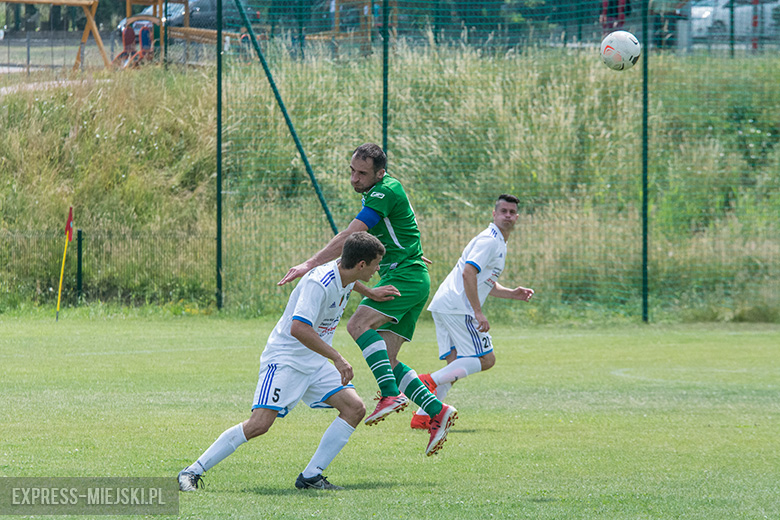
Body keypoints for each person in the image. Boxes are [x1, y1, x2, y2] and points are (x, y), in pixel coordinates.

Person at [279, 143, 457, 457]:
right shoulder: (382, 190)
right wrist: (409, 253)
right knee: (387, 361)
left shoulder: (381, 193)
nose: (354, 178)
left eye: (362, 173)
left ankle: (390, 394)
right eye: (352, 171)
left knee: (358, 324)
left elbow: (351, 236)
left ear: (380, 172)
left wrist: (309, 263)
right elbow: (398, 229)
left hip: (403, 276)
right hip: (406, 273)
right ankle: (436, 411)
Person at [178, 232, 388, 492]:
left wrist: (372, 293)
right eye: (376, 263)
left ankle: (311, 476)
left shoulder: (345, 273)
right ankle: (192, 471)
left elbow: (349, 283)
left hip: (315, 360)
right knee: (259, 424)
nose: (378, 269)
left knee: (354, 408)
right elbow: (298, 328)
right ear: (361, 265)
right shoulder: (318, 283)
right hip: (286, 359)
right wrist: (337, 357)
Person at [410, 194, 534, 430]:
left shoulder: (498, 242)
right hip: (459, 307)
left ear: (517, 217)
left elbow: (484, 281)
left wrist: (512, 293)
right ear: (494, 214)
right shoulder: (490, 240)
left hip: (446, 304)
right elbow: (469, 272)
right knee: (486, 359)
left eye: (511, 212)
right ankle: (426, 382)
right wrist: (478, 312)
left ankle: (423, 416)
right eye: (503, 211)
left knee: (455, 364)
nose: (507, 215)